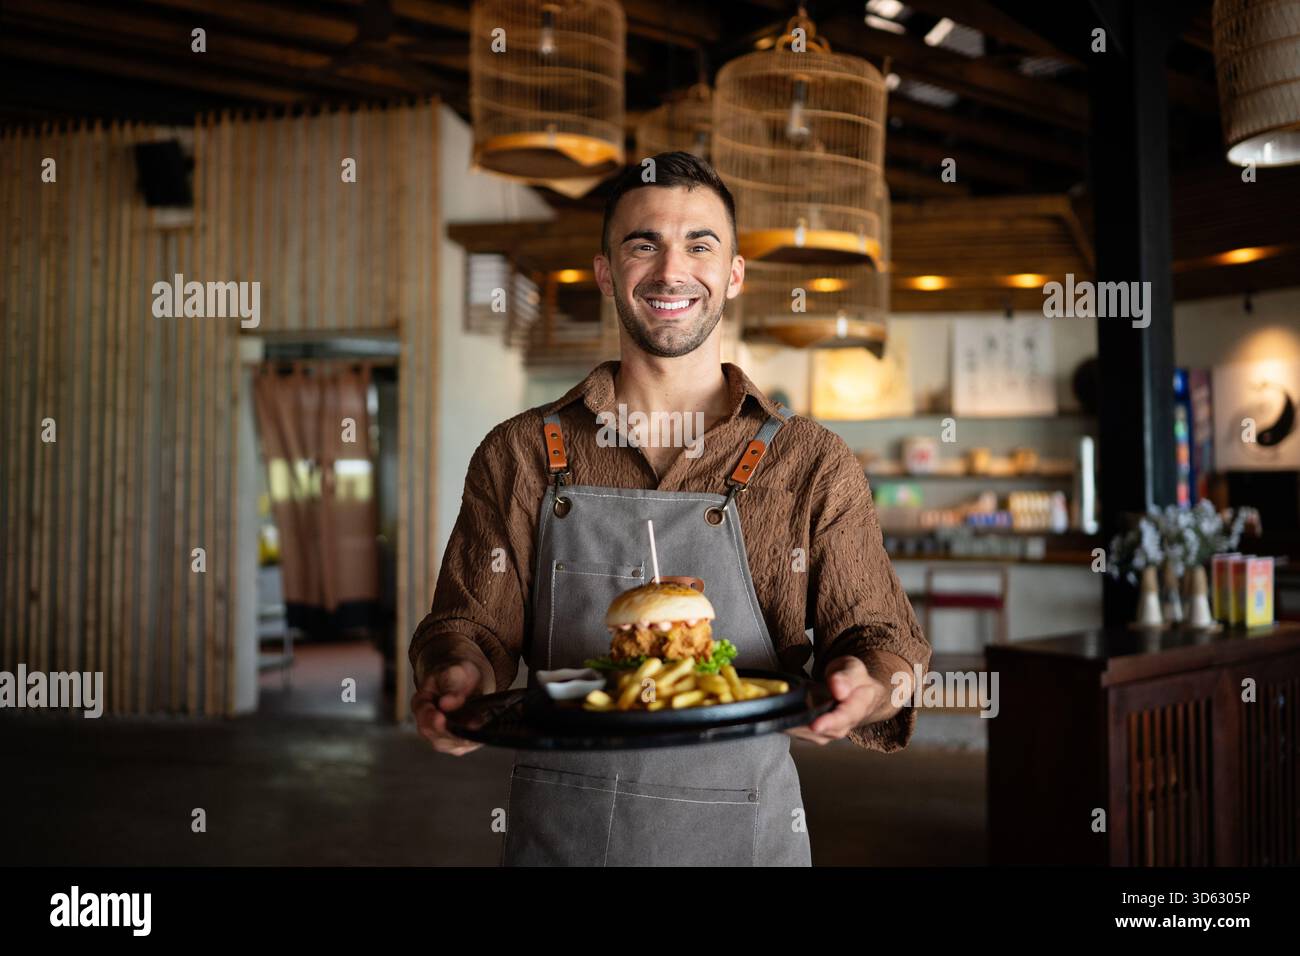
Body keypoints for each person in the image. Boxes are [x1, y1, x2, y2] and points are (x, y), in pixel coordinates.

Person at [410, 151, 931, 866]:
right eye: (641, 243)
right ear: (604, 272)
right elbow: (469, 628)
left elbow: (883, 639)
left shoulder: (814, 462)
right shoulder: (520, 453)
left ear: (734, 274)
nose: (670, 269)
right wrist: (456, 673)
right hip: (562, 839)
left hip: (745, 840)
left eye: (700, 244)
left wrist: (863, 686)